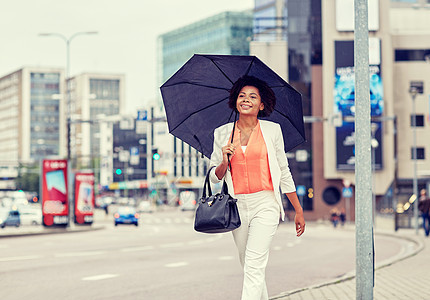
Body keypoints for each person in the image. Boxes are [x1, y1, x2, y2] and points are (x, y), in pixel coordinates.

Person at [209, 75, 305, 300]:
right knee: (249, 264)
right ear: (235, 101)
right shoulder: (222, 133)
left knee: (253, 264)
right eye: (242, 96)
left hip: (265, 203)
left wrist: (298, 209)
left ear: (261, 104)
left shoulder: (273, 131)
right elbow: (215, 177)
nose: (246, 99)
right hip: (237, 206)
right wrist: (224, 160)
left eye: (252, 96)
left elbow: (284, 171)